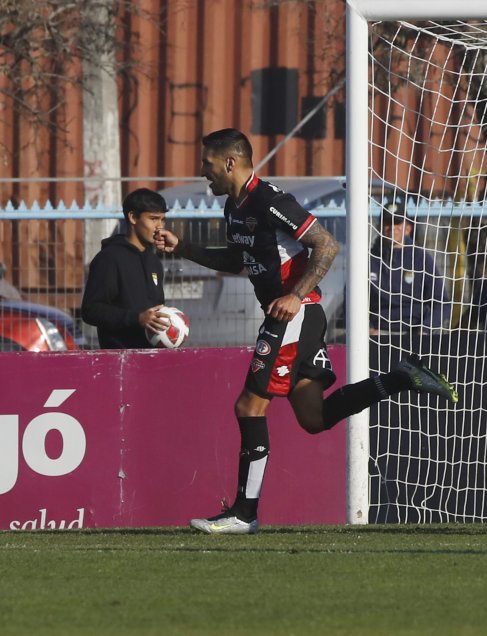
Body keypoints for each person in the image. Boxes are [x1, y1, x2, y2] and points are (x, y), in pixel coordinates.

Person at [153, 128, 458, 535]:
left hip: (294, 314)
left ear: (230, 162)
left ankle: (244, 514)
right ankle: (402, 378)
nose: (202, 171)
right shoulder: (234, 207)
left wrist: (296, 295)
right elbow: (239, 259)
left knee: (248, 407)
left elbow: (326, 244)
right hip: (293, 315)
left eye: (207, 163)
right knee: (313, 418)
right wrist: (184, 248)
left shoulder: (270, 200)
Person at [81, 188, 172, 349]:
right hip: (120, 359)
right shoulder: (109, 259)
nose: (160, 226)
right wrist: (136, 318)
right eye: (153, 219)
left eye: (162, 220)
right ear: (132, 217)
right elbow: (91, 310)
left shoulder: (154, 262)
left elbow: (155, 310)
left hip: (153, 357)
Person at [370, 201, 451, 335]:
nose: (392, 227)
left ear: (408, 228)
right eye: (387, 223)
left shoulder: (421, 258)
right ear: (379, 227)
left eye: (397, 223)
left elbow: (441, 303)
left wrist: (425, 329)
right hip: (377, 333)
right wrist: (367, 328)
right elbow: (350, 300)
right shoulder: (367, 260)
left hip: (414, 333)